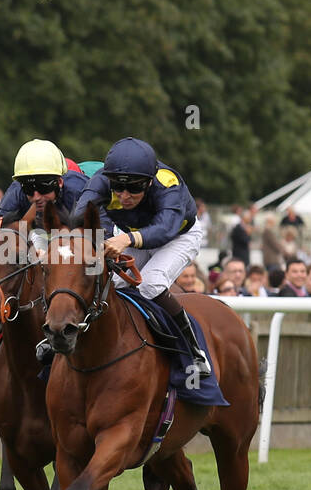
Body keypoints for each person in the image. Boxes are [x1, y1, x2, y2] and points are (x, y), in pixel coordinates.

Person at [70, 137, 211, 375]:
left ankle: (193, 350)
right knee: (113, 285)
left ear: (149, 182)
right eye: (118, 187)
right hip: (133, 235)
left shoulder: (167, 182)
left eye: (134, 187)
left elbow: (165, 228)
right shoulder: (102, 180)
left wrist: (125, 239)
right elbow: (78, 217)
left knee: (151, 283)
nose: (125, 195)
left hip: (178, 236)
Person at [0, 139, 89, 220]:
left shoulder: (79, 191)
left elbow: (100, 233)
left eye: (43, 188)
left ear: (60, 182)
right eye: (28, 189)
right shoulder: (16, 192)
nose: (36, 197)